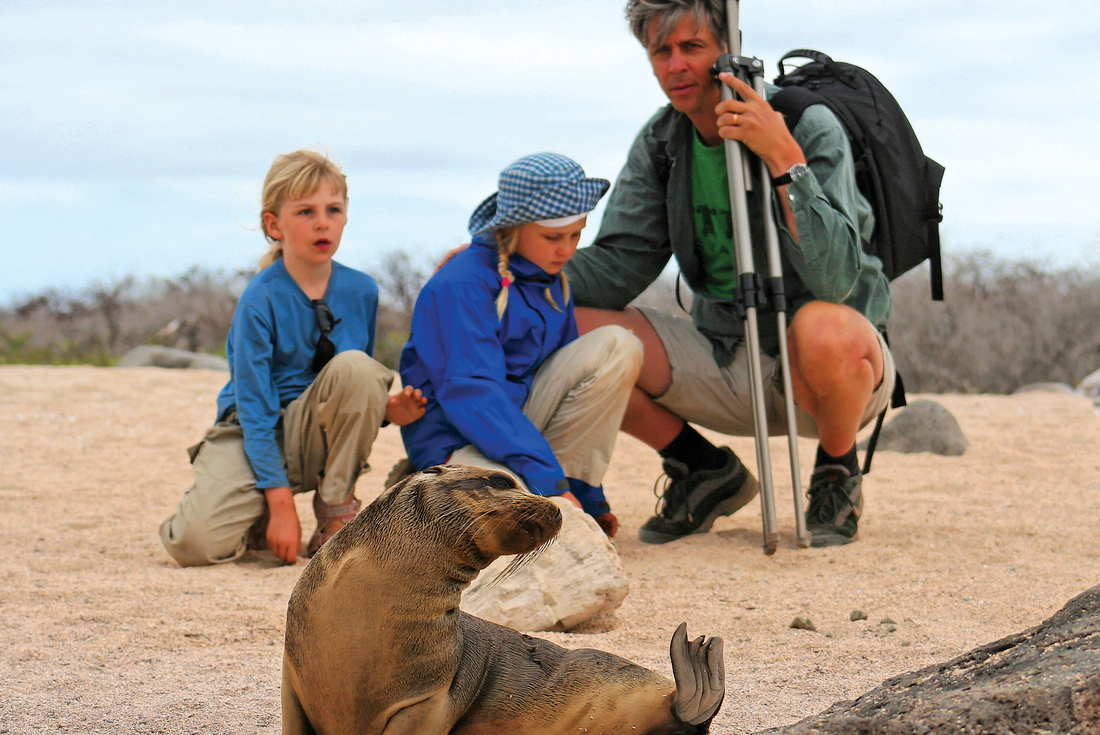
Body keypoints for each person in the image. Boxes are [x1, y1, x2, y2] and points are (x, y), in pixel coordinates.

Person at [562, 0, 896, 547]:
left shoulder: (808, 124)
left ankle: (837, 472)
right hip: (722, 348)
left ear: (726, 51)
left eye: (692, 48)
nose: (675, 66)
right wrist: (505, 267)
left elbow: (838, 278)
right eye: (660, 51)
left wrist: (784, 158)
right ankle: (701, 470)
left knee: (822, 325)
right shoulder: (662, 141)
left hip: (827, 370)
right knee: (561, 323)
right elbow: (619, 267)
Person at [159, 149, 426, 567]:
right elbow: (253, 405)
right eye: (305, 211)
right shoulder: (259, 299)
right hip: (253, 432)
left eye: (333, 210)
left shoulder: (363, 291)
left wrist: (385, 410)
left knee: (359, 366)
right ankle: (257, 510)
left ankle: (336, 514)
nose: (322, 223)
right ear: (273, 224)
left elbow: (351, 386)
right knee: (195, 546)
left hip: (313, 435)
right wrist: (281, 503)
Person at [399, 152, 643, 537]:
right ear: (512, 228)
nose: (567, 250)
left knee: (618, 344)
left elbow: (568, 388)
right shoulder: (462, 284)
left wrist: (583, 493)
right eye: (553, 237)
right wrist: (549, 484)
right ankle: (425, 485)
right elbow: (472, 392)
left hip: (519, 427)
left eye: (576, 234)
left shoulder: (553, 282)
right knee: (512, 515)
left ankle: (564, 492)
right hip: (456, 433)